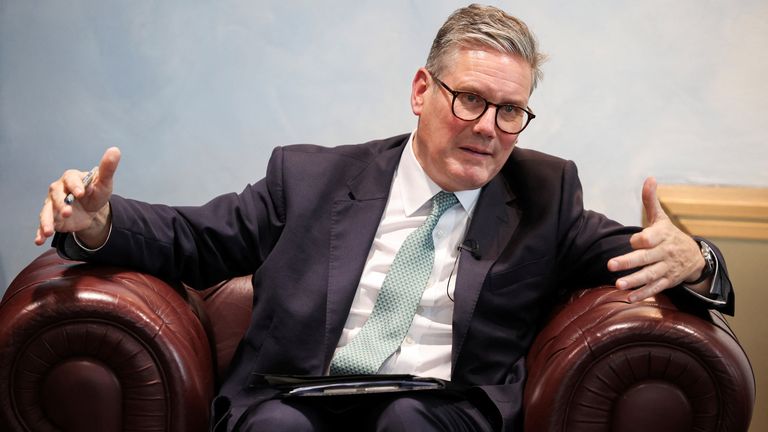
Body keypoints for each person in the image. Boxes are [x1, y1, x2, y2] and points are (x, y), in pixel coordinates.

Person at [35, 4, 732, 431]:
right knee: (279, 427)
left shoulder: (546, 196)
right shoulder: (308, 176)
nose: (489, 128)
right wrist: (96, 221)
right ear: (421, 90)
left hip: (442, 408)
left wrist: (696, 258)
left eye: (510, 111)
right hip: (297, 395)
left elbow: (642, 252)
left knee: (407, 422)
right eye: (469, 100)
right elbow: (195, 239)